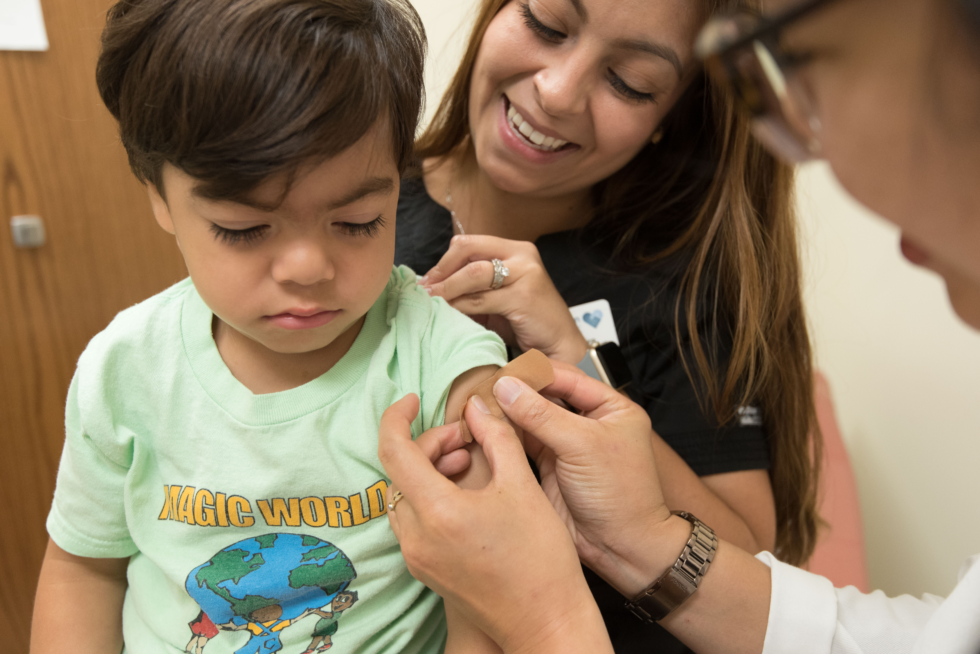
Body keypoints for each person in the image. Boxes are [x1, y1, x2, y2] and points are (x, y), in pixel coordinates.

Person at [379, 0, 980, 651]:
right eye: (546, 23)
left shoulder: (680, 286)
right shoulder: (353, 208)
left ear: (672, 115)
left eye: (630, 82)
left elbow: (750, 558)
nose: (555, 92)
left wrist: (582, 363)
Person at [29, 1, 510, 652]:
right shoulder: (125, 367)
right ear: (158, 197)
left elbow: (489, 597)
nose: (308, 268)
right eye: (244, 229)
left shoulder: (442, 362)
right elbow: (84, 568)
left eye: (358, 221)